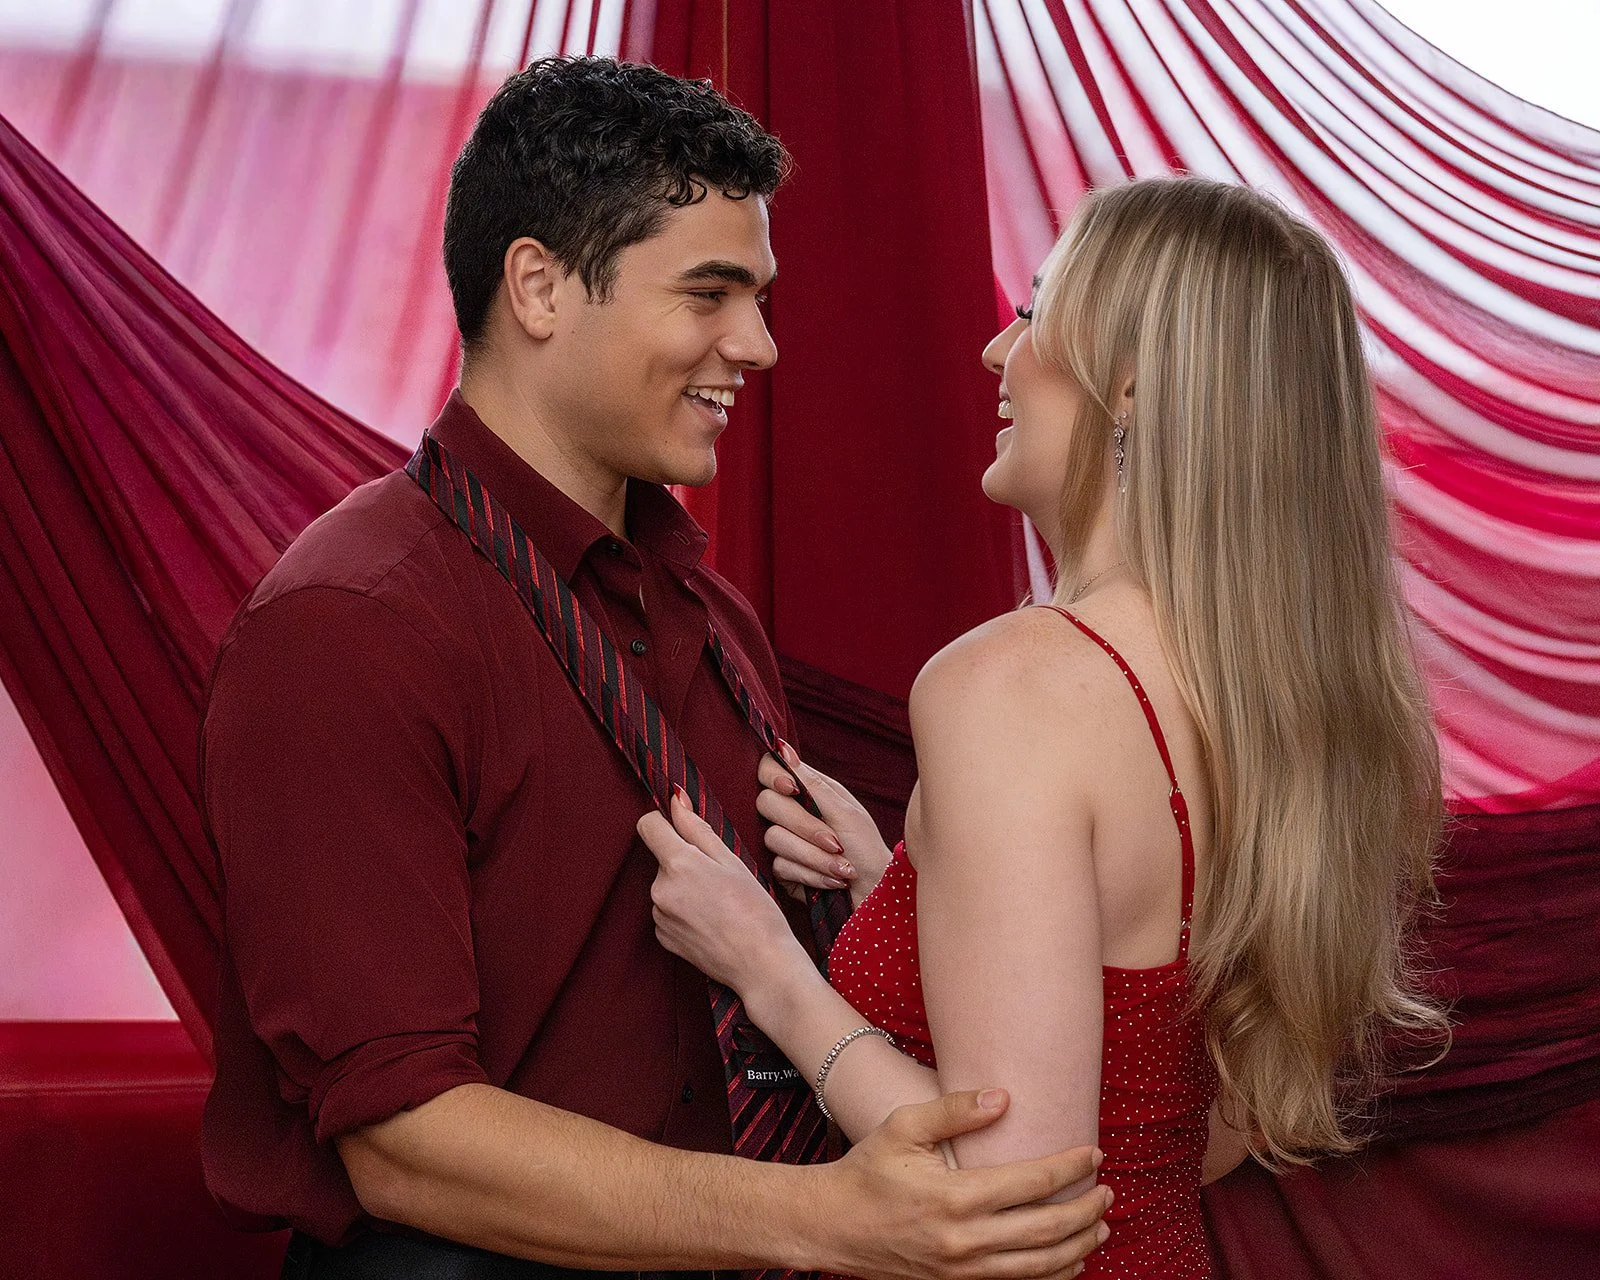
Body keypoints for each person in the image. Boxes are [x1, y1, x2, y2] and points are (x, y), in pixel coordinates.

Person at [198, 56, 1110, 1280]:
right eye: (710, 293)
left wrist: (872, 894)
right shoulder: (349, 623)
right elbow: (402, 1140)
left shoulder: (715, 625)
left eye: (760, 296)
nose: (760, 345)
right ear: (537, 286)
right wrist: (821, 1218)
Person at [640, 177, 1449, 1278]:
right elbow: (1186, 1128)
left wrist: (771, 967)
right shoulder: (1285, 701)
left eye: (1033, 308)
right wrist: (915, 889)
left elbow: (1014, 1211)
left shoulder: (1012, 688)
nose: (993, 350)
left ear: (1126, 384)